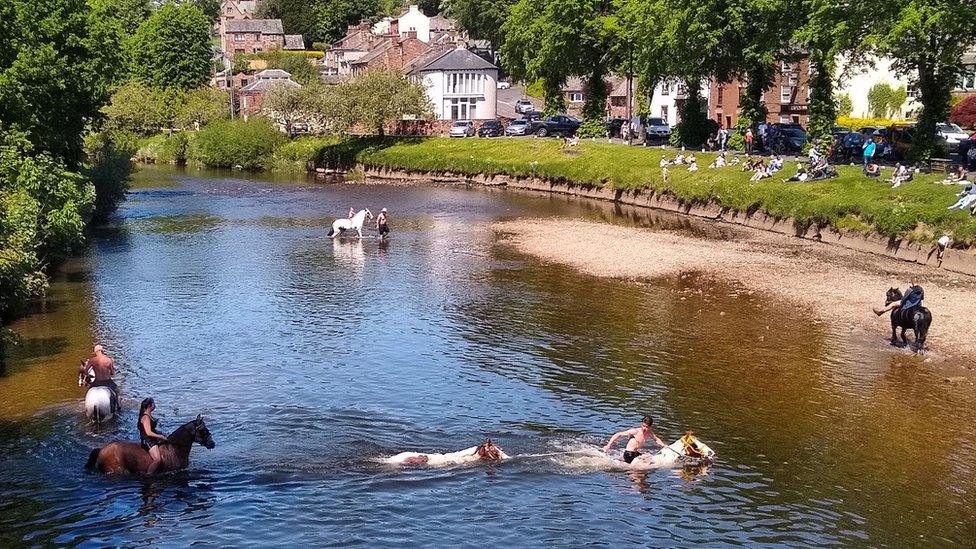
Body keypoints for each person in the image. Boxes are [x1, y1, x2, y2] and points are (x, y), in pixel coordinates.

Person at [138, 397, 168, 474]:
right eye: (154, 403)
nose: (155, 405)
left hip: (152, 438)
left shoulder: (149, 415)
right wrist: (160, 436)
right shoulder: (146, 417)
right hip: (148, 440)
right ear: (149, 406)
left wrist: (160, 433)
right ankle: (148, 475)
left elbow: (152, 429)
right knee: (158, 459)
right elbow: (148, 432)